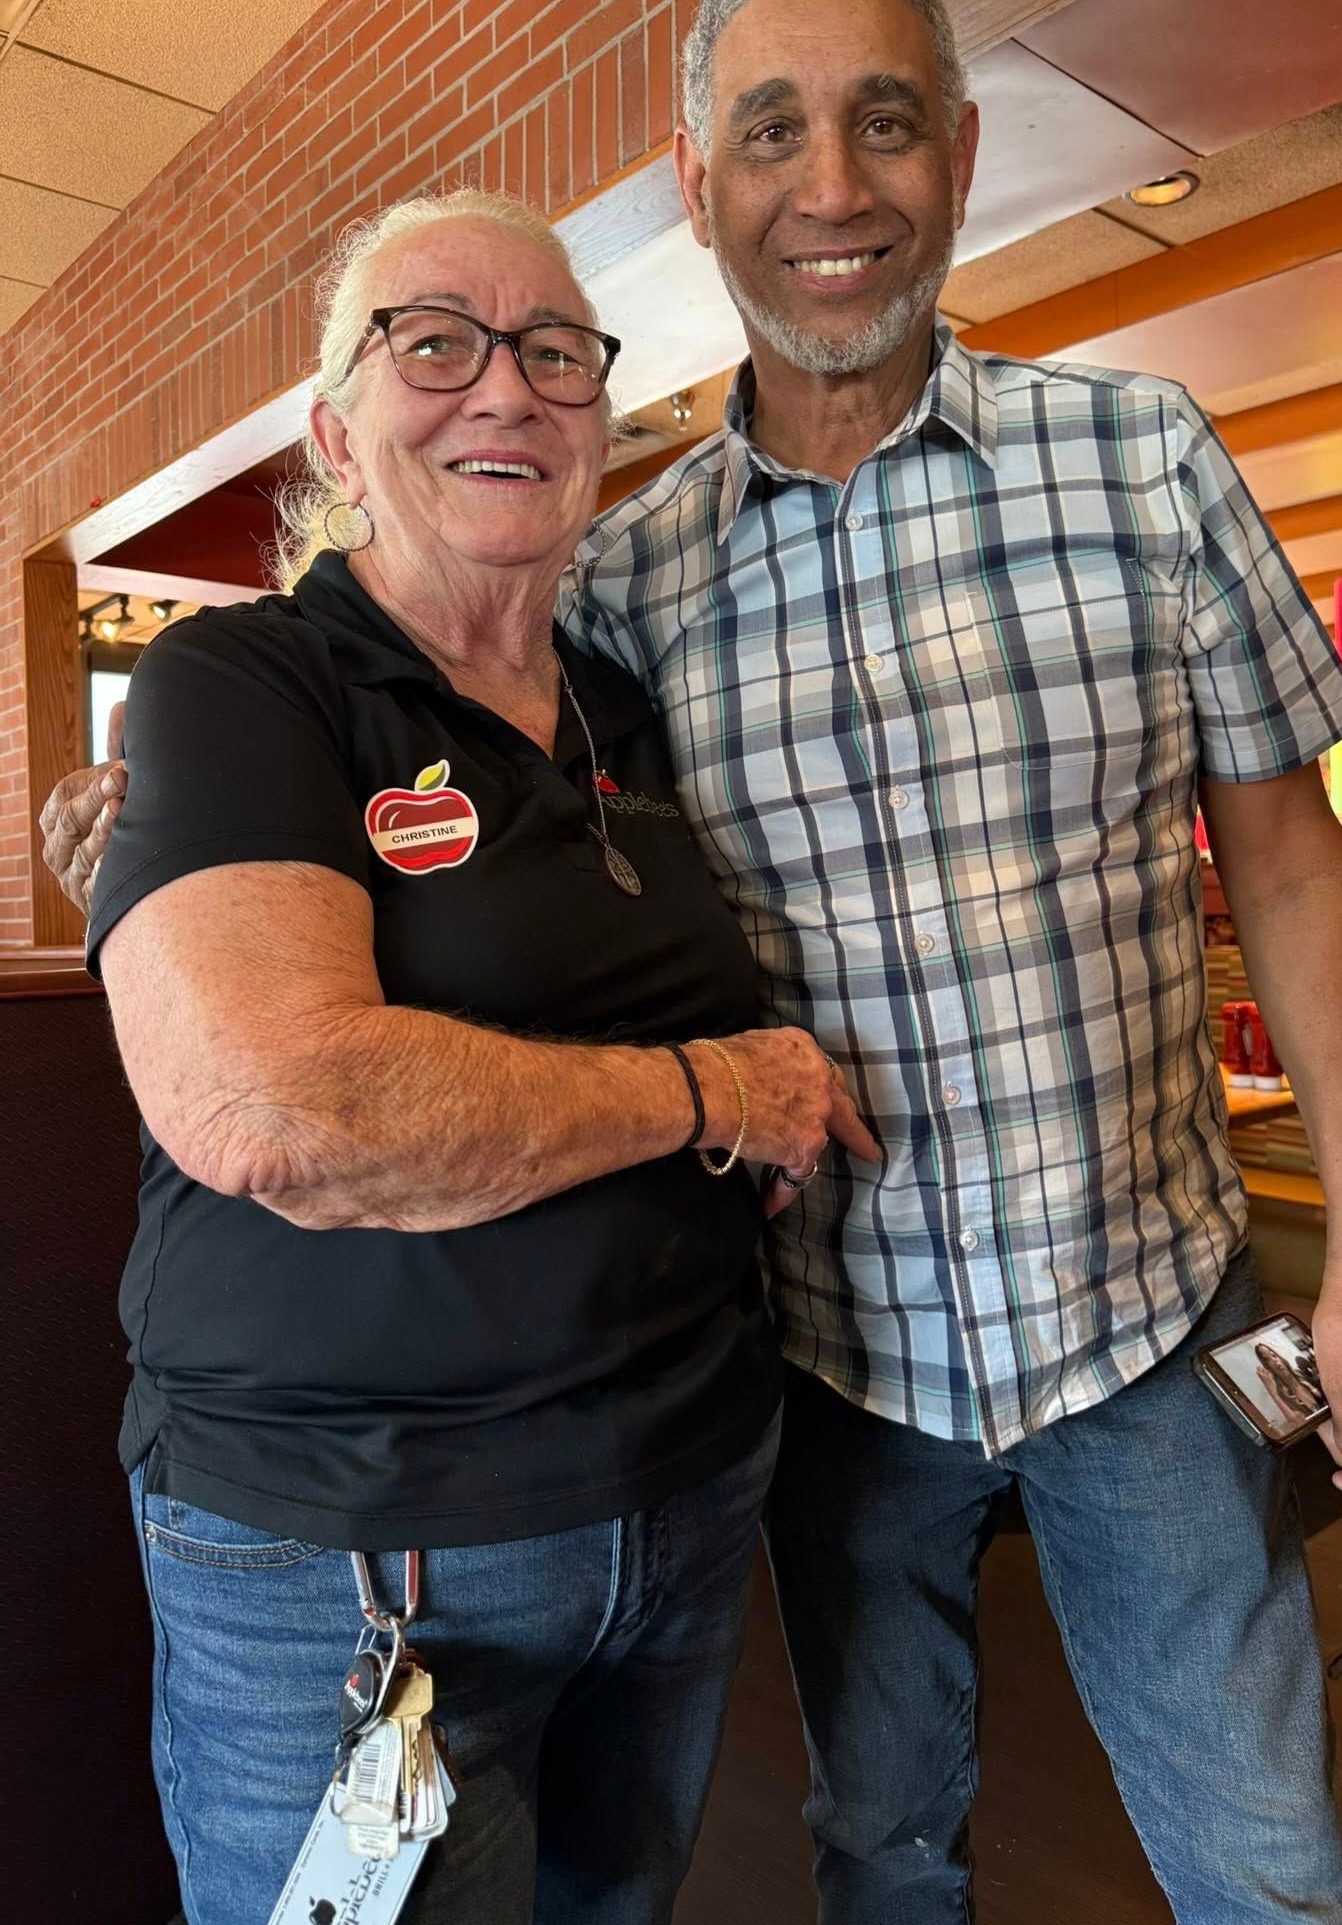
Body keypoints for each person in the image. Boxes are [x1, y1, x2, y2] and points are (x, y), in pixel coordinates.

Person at [43, 0, 1342, 1925]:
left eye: (884, 123)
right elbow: (326, 999)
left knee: (1275, 1867)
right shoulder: (615, 585)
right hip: (819, 1380)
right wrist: (155, 854)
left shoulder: (1141, 465)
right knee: (880, 1855)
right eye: (771, 131)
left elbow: (1295, 860)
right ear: (700, 194)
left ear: (961, 153)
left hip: (1128, 1325)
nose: (833, 185)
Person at [45, 186, 876, 1925]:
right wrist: (725, 1086)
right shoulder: (243, 684)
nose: (504, 388)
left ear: (599, 421)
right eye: (435, 341)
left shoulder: (620, 710)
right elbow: (289, 1109)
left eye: (554, 351)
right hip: (358, 1558)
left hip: (677, 1494)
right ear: (340, 431)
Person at [1255, 1340, 1327, 1423]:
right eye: (1267, 1360)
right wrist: (1273, 1394)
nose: (1274, 1360)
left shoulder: (1303, 1376)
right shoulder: (1283, 1395)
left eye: (1273, 1355)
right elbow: (1296, 1421)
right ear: (1266, 1366)